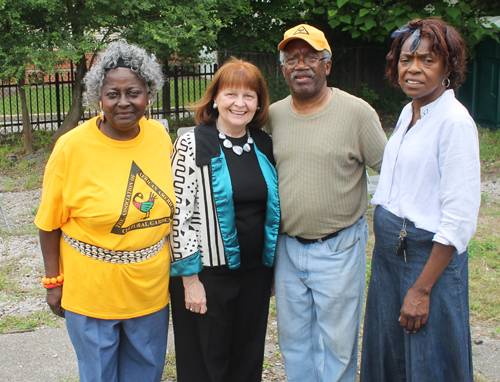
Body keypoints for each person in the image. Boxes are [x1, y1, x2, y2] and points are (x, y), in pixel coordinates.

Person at [35, 40, 175, 382]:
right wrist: (54, 282)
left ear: (149, 94)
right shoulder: (72, 147)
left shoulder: (159, 137)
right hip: (91, 291)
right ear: (99, 96)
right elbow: (49, 223)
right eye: (113, 93)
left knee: (147, 372)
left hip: (150, 289)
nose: (124, 102)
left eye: (134, 92)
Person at [360, 19, 481, 382]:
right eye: (406, 59)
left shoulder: (454, 123)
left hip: (427, 262)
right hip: (389, 257)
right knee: (390, 353)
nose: (413, 69)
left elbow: (459, 219)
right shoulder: (409, 111)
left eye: (427, 60)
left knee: (430, 359)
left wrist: (422, 288)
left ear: (448, 67)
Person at [266, 24, 387, 382]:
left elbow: (393, 171)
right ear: (284, 68)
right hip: (287, 250)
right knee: (294, 343)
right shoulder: (272, 116)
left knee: (338, 345)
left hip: (339, 247)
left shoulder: (357, 113)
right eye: (292, 58)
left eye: (311, 57)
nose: (301, 65)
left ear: (327, 65)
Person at [169, 58, 280, 382]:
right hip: (207, 277)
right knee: (206, 362)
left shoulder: (263, 143)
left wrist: (270, 269)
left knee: (247, 357)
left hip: (255, 275)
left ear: (259, 103)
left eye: (249, 95)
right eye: (231, 94)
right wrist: (190, 281)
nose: (240, 103)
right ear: (215, 97)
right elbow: (179, 216)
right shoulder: (194, 142)